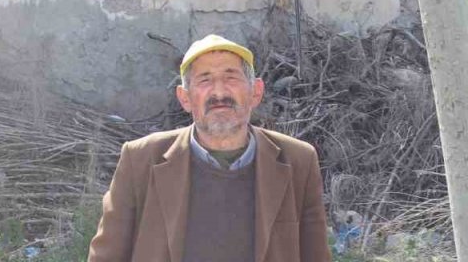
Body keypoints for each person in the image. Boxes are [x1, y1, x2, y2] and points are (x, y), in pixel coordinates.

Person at [87, 34, 330, 262]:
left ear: (256, 92)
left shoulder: (298, 161)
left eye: (231, 77)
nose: (219, 92)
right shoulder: (140, 160)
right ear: (185, 98)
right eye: (205, 80)